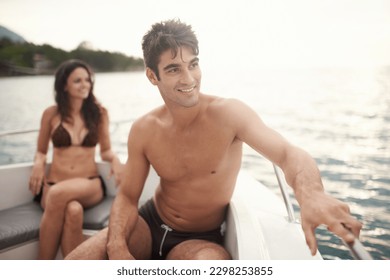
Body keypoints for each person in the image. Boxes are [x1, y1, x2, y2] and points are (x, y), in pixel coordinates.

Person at [66, 19, 362, 260]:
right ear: (152, 76)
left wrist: (310, 193)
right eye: (173, 69)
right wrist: (117, 246)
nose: (189, 79)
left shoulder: (229, 114)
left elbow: (287, 154)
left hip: (200, 239)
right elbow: (129, 196)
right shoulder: (145, 128)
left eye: (193, 64)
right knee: (73, 266)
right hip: (149, 223)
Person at [28, 59, 122, 259]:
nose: (84, 84)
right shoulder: (51, 114)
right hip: (54, 182)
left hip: (89, 184)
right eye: (77, 81)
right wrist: (38, 163)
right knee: (73, 211)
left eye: (87, 80)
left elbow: (105, 150)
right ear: (64, 85)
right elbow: (41, 150)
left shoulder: (99, 113)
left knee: (56, 194)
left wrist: (115, 159)